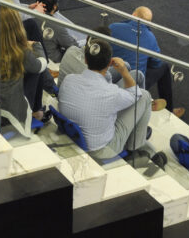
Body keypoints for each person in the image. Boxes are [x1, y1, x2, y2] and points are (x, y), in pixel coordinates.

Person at [57, 33, 154, 161]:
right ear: (109, 63)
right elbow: (136, 94)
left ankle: (138, 135)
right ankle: (136, 148)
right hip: (100, 149)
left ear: (85, 59)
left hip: (73, 135)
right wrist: (124, 71)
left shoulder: (69, 79)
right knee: (145, 96)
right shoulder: (111, 93)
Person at [0, 3, 50, 128]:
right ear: (16, 22)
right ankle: (36, 112)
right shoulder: (19, 49)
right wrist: (36, 45)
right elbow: (42, 64)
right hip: (8, 112)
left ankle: (36, 110)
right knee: (35, 70)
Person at [109, 6, 185, 118]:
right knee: (164, 66)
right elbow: (156, 63)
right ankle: (169, 110)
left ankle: (145, 102)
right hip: (134, 85)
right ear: (149, 23)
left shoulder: (113, 27)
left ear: (133, 15)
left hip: (110, 78)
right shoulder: (150, 38)